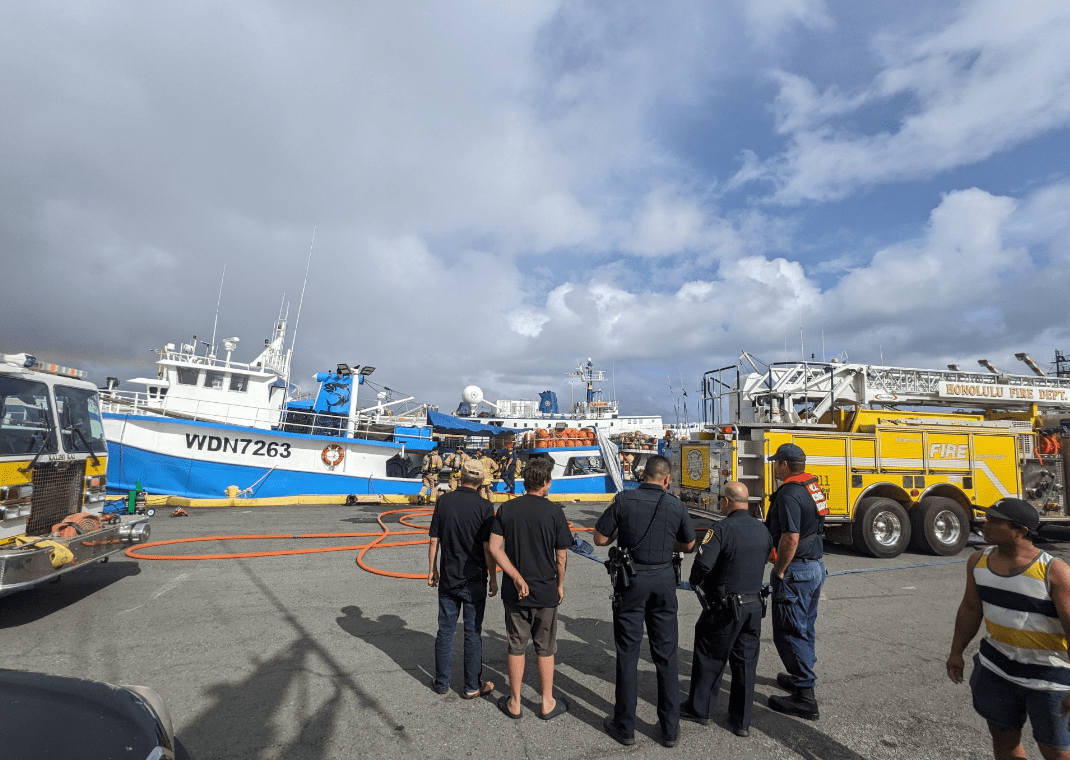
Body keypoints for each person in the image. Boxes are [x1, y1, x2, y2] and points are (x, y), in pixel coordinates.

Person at [947, 498, 1070, 760]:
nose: (984, 522)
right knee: (1004, 739)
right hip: (996, 671)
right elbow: (970, 609)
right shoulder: (978, 561)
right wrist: (956, 652)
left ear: (1020, 530)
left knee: (1057, 752)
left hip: (1048, 680)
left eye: (994, 520)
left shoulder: (1055, 572)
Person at [594, 454, 696, 747]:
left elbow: (600, 539)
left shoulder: (624, 500)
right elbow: (689, 544)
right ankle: (669, 729)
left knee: (627, 653)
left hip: (632, 579)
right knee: (666, 655)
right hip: (664, 580)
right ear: (666, 479)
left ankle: (624, 726)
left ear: (643, 475)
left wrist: (623, 536)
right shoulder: (675, 504)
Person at [682, 481, 772, 738]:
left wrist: (696, 582)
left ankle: (700, 709)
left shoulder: (721, 529)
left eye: (722, 499)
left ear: (728, 502)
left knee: (710, 656)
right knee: (745, 663)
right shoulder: (762, 530)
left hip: (725, 607)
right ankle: (741, 720)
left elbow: (702, 566)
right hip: (754, 606)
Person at [488, 457, 572, 721]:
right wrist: (559, 585)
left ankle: (515, 702)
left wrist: (514, 576)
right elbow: (561, 557)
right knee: (546, 647)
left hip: (516, 593)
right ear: (546, 484)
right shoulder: (555, 512)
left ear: (525, 481)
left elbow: (493, 547)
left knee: (516, 645)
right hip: (545, 590)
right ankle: (547, 702)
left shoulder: (507, 509)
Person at [766, 443, 827, 721]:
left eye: (776, 462)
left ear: (784, 465)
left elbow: (790, 537)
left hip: (797, 571)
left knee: (790, 631)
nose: (775, 467)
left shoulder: (789, 493)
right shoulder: (811, 487)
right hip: (814, 567)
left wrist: (779, 571)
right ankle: (802, 677)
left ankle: (805, 696)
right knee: (805, 627)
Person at [427, 458, 497, 698]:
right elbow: (489, 547)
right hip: (474, 578)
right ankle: (471, 687)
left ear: (461, 476)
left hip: (448, 577)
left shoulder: (443, 501)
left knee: (445, 631)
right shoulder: (485, 507)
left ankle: (442, 683)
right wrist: (494, 577)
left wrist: (432, 569)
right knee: (472, 633)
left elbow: (434, 539)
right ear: (481, 481)